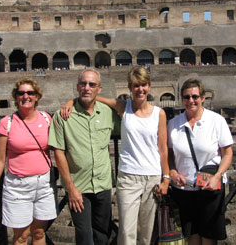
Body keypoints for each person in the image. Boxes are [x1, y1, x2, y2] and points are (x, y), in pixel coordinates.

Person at [61, 65, 170, 245]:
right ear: (129, 88)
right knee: (126, 232)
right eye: (135, 85)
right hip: (128, 177)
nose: (140, 89)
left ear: (149, 86)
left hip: (153, 178)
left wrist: (165, 178)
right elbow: (93, 96)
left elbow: (163, 148)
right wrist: (72, 102)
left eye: (143, 85)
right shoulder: (122, 107)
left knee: (148, 232)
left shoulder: (160, 113)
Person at [48, 69, 120, 245]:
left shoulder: (108, 114)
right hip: (78, 186)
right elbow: (58, 152)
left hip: (102, 183)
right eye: (83, 84)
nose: (87, 88)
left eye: (92, 85)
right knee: (84, 236)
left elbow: (129, 130)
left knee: (102, 233)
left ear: (99, 89)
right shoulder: (63, 115)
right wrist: (70, 188)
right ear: (77, 86)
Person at [0, 77, 57, 245]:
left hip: (44, 184)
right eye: (21, 93)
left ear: (37, 96)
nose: (26, 96)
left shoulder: (46, 119)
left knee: (39, 233)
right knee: (21, 236)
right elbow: (0, 159)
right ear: (16, 97)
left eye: (30, 93)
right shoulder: (7, 123)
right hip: (18, 186)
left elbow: (57, 148)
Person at [167, 78, 233, 245]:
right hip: (184, 188)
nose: (191, 101)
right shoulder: (174, 124)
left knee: (208, 236)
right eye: (187, 97)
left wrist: (218, 176)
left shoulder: (216, 121)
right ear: (182, 99)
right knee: (192, 235)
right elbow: (168, 154)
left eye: (195, 96)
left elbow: (227, 153)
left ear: (203, 98)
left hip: (210, 187)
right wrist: (172, 172)